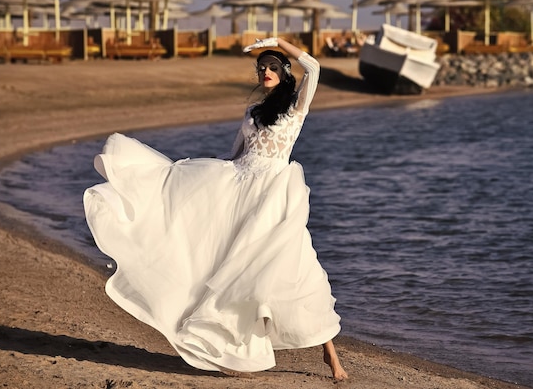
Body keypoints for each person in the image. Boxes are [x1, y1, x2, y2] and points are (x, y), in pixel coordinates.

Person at [83, 37, 348, 380]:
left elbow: (313, 66)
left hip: (274, 194)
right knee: (232, 273)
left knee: (299, 268)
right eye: (261, 67)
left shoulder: (297, 108)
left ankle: (332, 357)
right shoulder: (252, 113)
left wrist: (279, 42)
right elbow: (236, 155)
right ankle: (232, 347)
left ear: (284, 73)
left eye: (272, 67)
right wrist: (197, 183)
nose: (265, 71)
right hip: (239, 189)